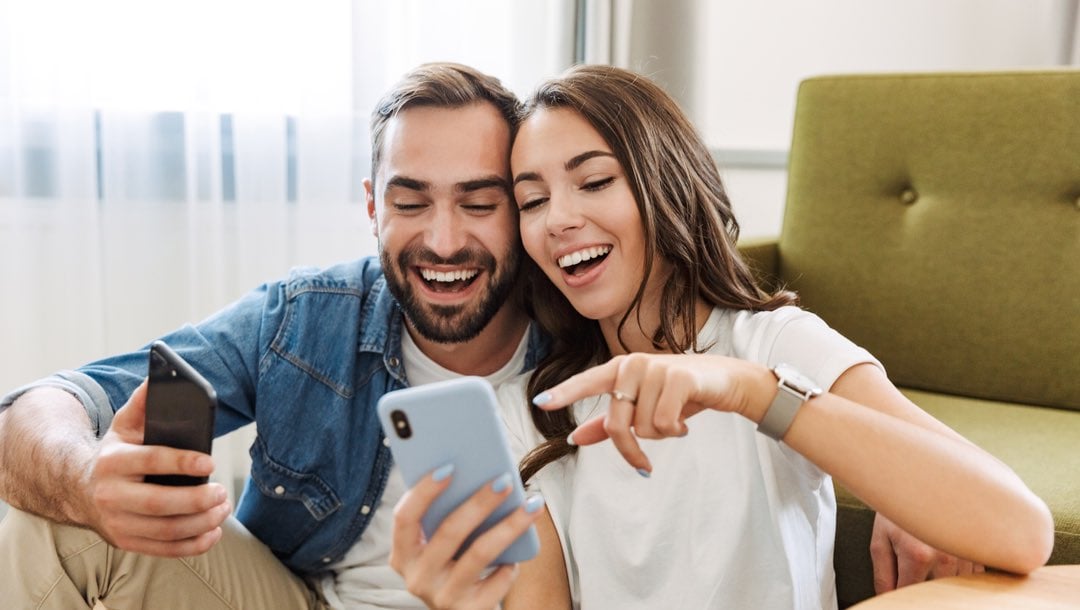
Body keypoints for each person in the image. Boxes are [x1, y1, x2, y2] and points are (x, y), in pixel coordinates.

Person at [397, 64, 1056, 609]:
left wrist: (749, 390)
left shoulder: (774, 346)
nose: (560, 219)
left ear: (668, 184)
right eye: (532, 200)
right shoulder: (528, 415)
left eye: (595, 181)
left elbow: (1020, 529)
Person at [0, 62, 549, 609]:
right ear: (372, 207)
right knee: (57, 523)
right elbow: (39, 407)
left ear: (522, 207)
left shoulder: (578, 332)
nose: (445, 241)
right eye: (409, 202)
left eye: (479, 204)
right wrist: (86, 478)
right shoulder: (308, 320)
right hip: (302, 601)